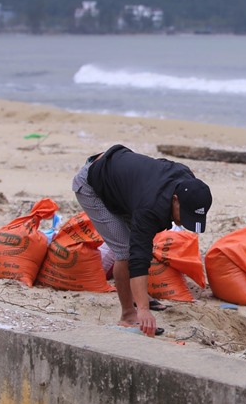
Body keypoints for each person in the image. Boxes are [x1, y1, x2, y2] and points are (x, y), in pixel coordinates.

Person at [72, 144, 212, 337]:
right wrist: (144, 311)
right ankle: (128, 315)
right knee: (126, 251)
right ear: (175, 199)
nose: (183, 222)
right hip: (91, 184)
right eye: (184, 215)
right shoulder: (150, 207)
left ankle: (139, 297)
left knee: (140, 242)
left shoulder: (186, 179)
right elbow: (137, 256)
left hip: (121, 180)